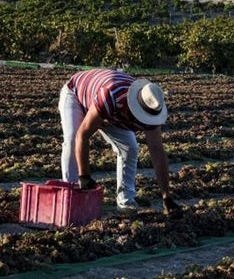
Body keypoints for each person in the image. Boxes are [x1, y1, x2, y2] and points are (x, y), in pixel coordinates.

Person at [58, 68, 182, 217]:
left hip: (108, 111)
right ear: (135, 109)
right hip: (77, 93)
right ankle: (70, 194)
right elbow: (82, 135)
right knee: (72, 140)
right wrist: (84, 176)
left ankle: (125, 201)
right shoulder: (112, 96)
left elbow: (157, 152)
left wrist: (166, 197)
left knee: (130, 148)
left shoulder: (153, 109)